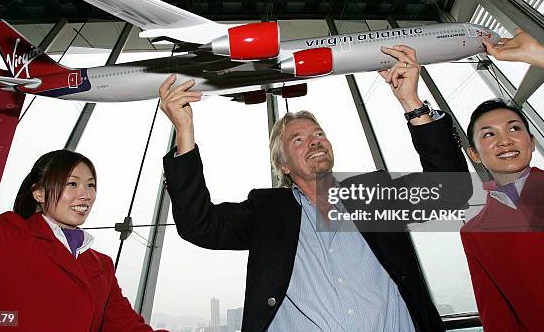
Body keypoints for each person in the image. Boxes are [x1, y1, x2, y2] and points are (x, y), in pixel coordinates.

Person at [160, 45, 471, 332]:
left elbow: (451, 190)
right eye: (298, 139)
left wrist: (412, 103)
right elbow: (198, 226)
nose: (314, 140)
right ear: (283, 165)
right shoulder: (265, 212)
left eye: (318, 133)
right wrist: (184, 131)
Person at [0, 80, 159, 332]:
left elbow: (129, 328)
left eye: (91, 185)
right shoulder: (3, 237)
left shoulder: (100, 266)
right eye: (72, 184)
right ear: (39, 193)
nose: (85, 195)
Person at [460, 30, 544, 331]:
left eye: (514, 129)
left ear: (532, 142)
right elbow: (496, 314)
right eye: (489, 135)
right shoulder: (475, 233)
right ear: (475, 155)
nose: (505, 141)